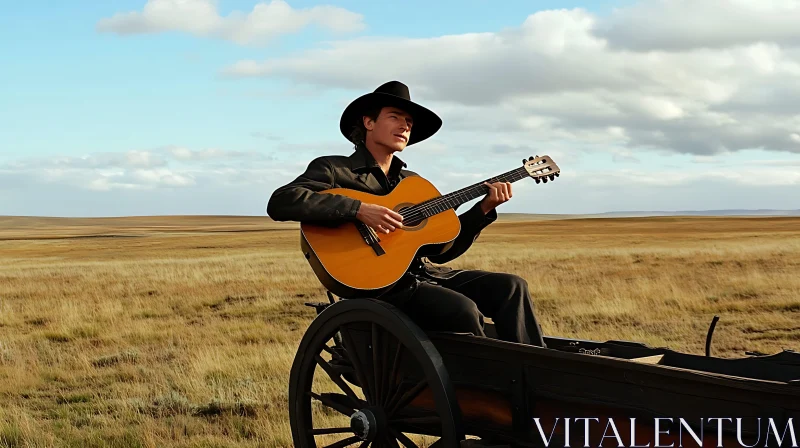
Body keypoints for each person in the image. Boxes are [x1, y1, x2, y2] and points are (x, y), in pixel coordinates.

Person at [266, 81, 546, 347]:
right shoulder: (334, 170)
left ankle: (537, 375)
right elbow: (282, 201)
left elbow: (441, 252)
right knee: (463, 310)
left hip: (424, 276)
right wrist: (359, 210)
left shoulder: (413, 183)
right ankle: (485, 390)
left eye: (409, 122)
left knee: (512, 287)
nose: (405, 125)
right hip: (381, 286)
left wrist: (482, 210)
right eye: (395, 117)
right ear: (369, 122)